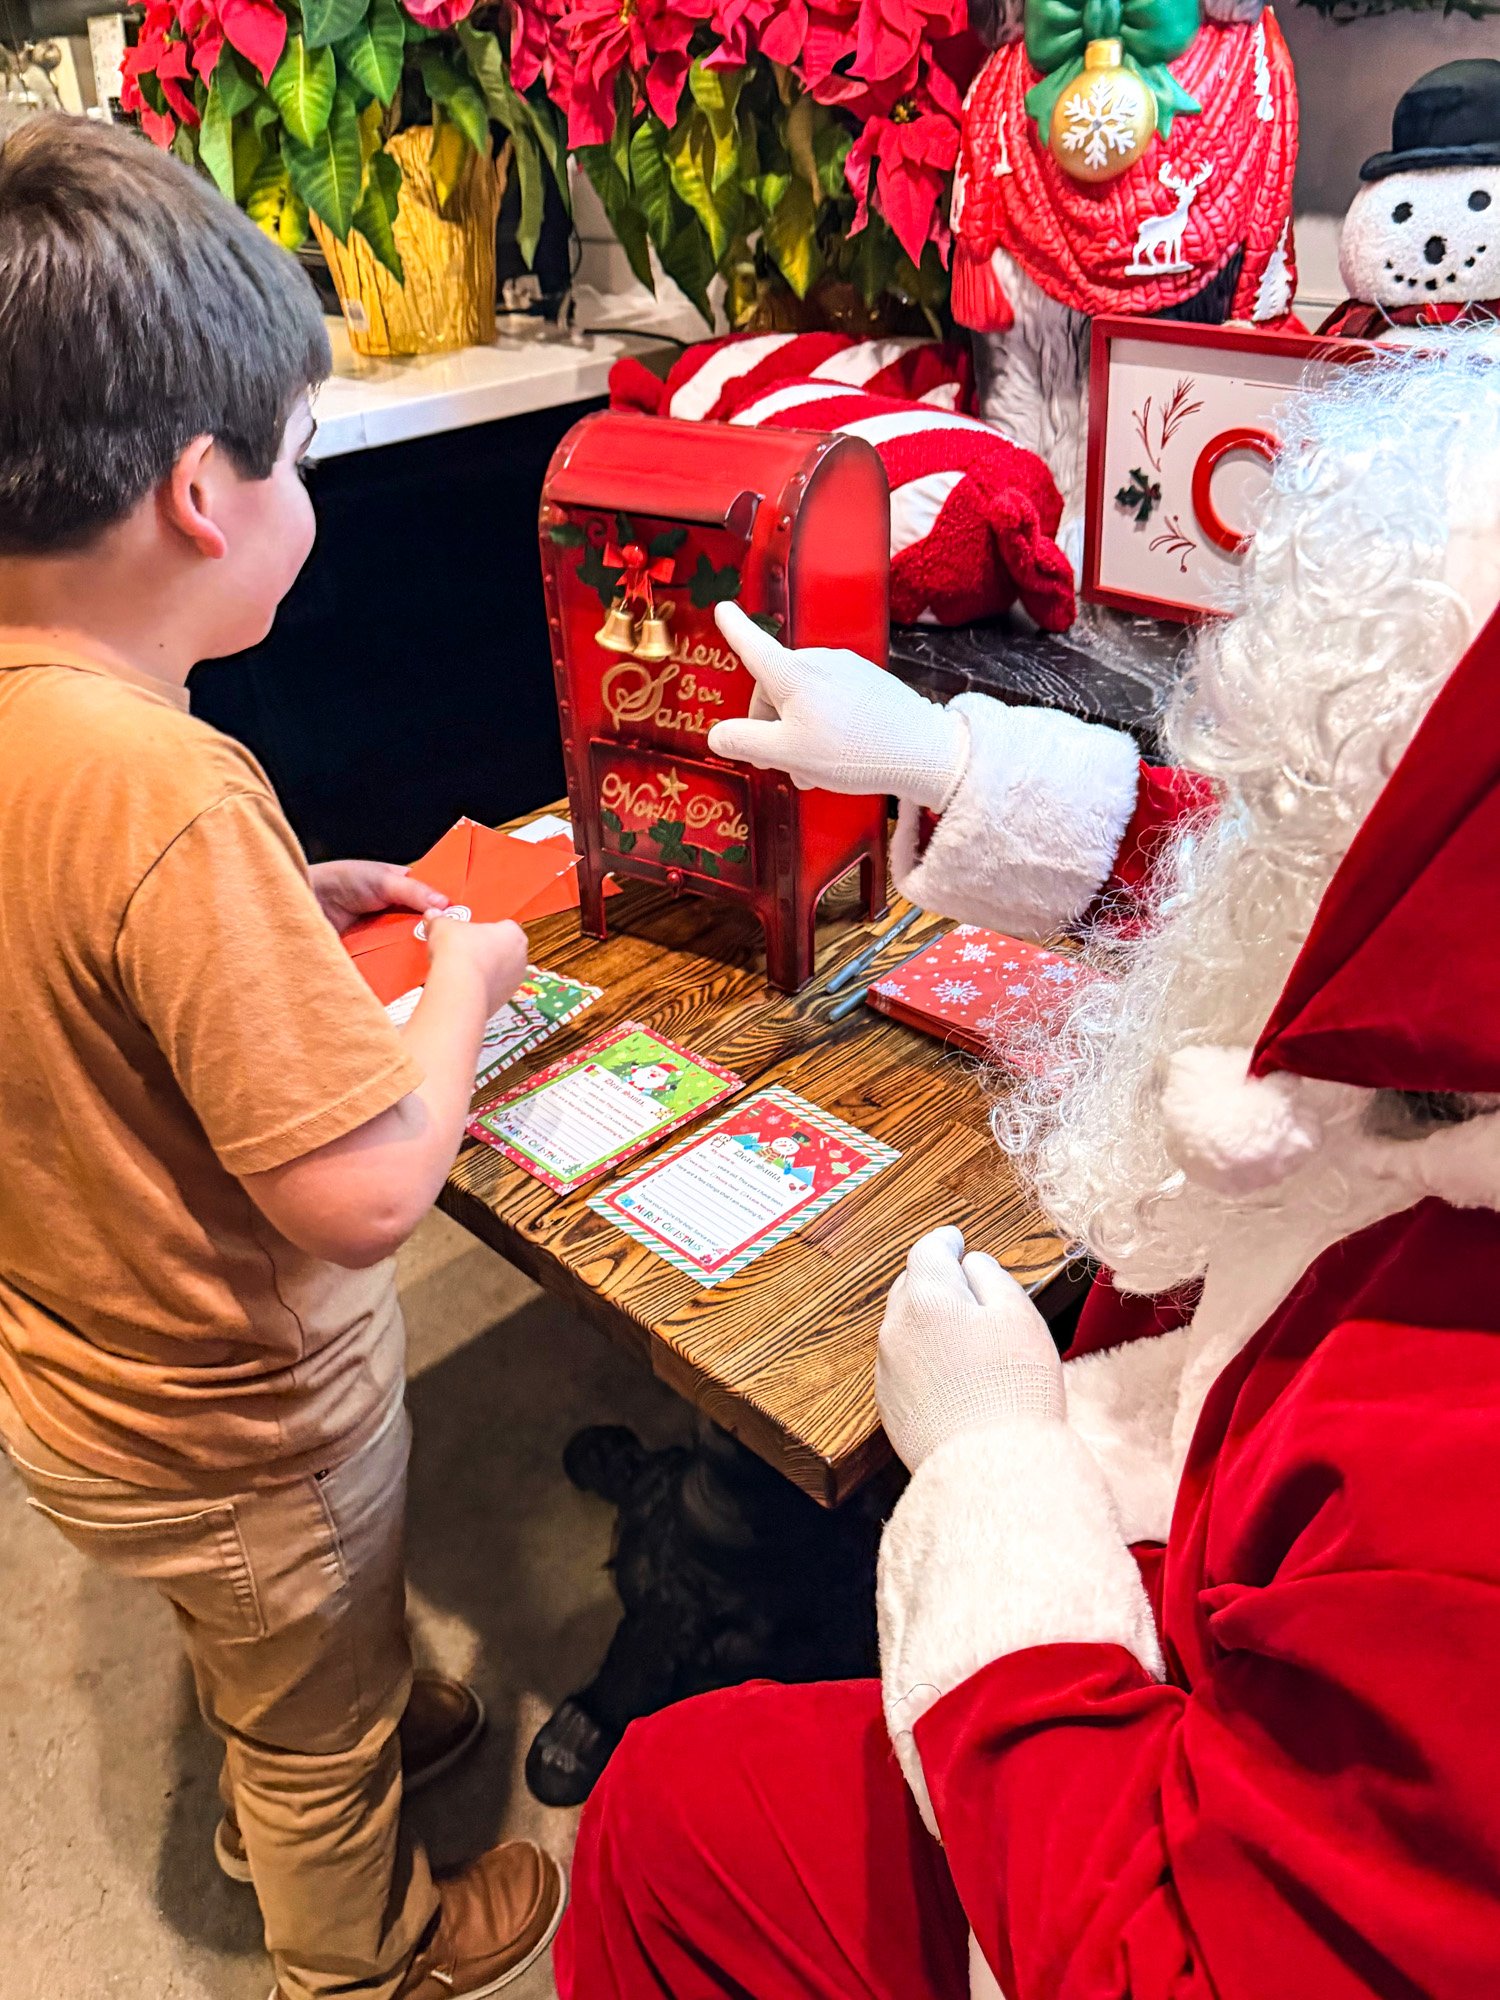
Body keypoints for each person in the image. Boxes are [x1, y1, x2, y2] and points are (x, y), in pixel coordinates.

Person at [554, 337, 1500, 1997]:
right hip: (1184, 1505)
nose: (1262, 828)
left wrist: (994, 1468)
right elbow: (1278, 879)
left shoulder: (1447, 1439)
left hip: (1125, 1749)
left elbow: (1162, 1954)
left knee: (666, 1812)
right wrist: (952, 766)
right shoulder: (1432, 977)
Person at [0, 115, 563, 2000]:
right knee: (309, 1710)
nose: (310, 495)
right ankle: (364, 1942)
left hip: (83, 1395)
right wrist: (466, 982)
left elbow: (74, 977)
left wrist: (269, 906)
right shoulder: (169, 788)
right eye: (304, 457)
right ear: (196, 496)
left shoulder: (59, 745)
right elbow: (363, 1193)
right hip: (240, 1427)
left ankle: (308, 1730)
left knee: (269, 1646)